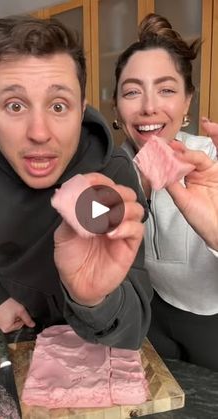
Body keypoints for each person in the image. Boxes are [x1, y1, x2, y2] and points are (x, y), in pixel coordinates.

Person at [0, 15, 153, 349]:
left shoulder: (111, 176)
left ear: (82, 108)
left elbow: (133, 329)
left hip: (82, 338)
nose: (39, 133)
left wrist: (95, 301)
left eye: (59, 106)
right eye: (14, 105)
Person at [112, 13, 218, 369]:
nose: (148, 107)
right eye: (132, 91)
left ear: (188, 102)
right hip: (152, 311)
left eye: (167, 89)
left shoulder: (210, 159)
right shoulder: (110, 167)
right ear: (116, 106)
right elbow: (91, 237)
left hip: (211, 315)